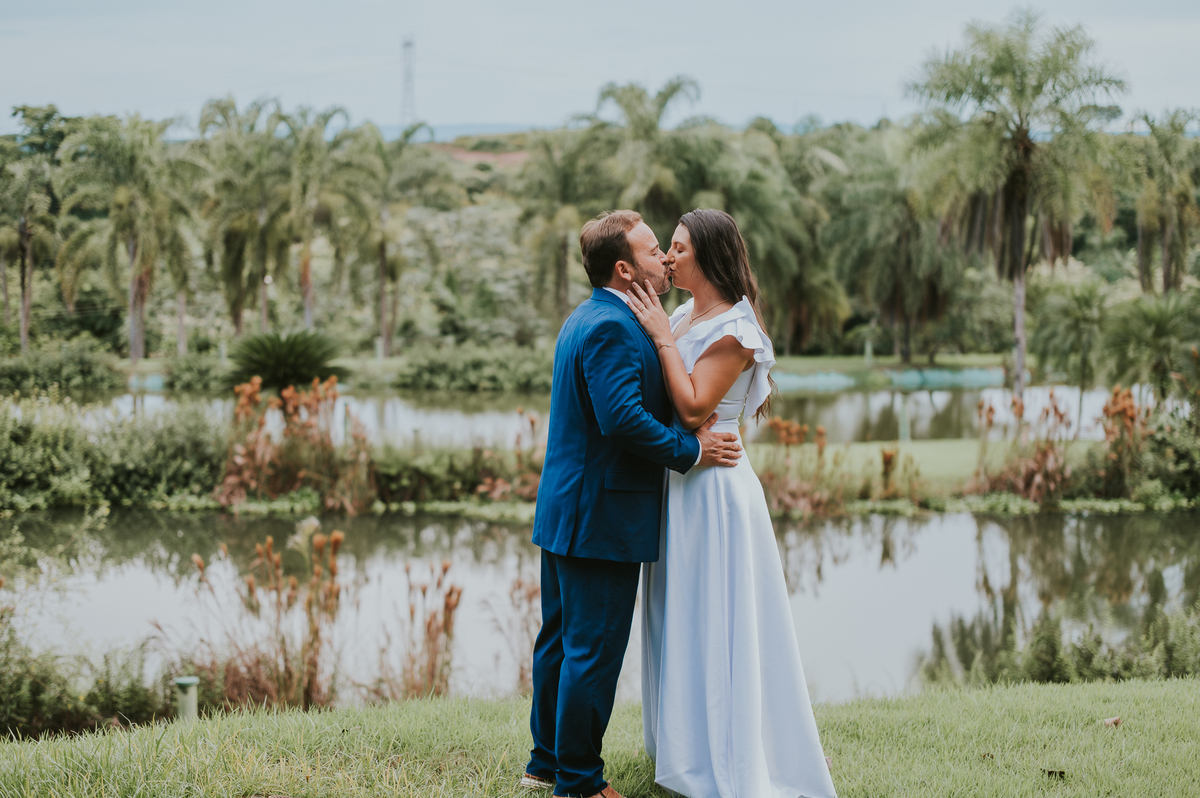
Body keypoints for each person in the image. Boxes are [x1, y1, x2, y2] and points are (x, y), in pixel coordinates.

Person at [522, 210, 744, 798]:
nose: (665, 260)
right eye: (653, 252)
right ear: (625, 269)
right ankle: (579, 781)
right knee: (590, 652)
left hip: (570, 509)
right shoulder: (614, 327)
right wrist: (691, 450)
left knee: (561, 642)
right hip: (601, 515)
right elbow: (622, 419)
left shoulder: (592, 314)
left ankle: (545, 762)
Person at [626, 208, 839, 798]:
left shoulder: (736, 332)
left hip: (716, 490)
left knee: (718, 615)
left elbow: (694, 408)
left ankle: (727, 753)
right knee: (682, 612)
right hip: (682, 481)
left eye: (678, 248)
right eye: (666, 247)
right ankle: (684, 746)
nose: (668, 258)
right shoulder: (685, 312)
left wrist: (662, 340)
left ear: (710, 256)